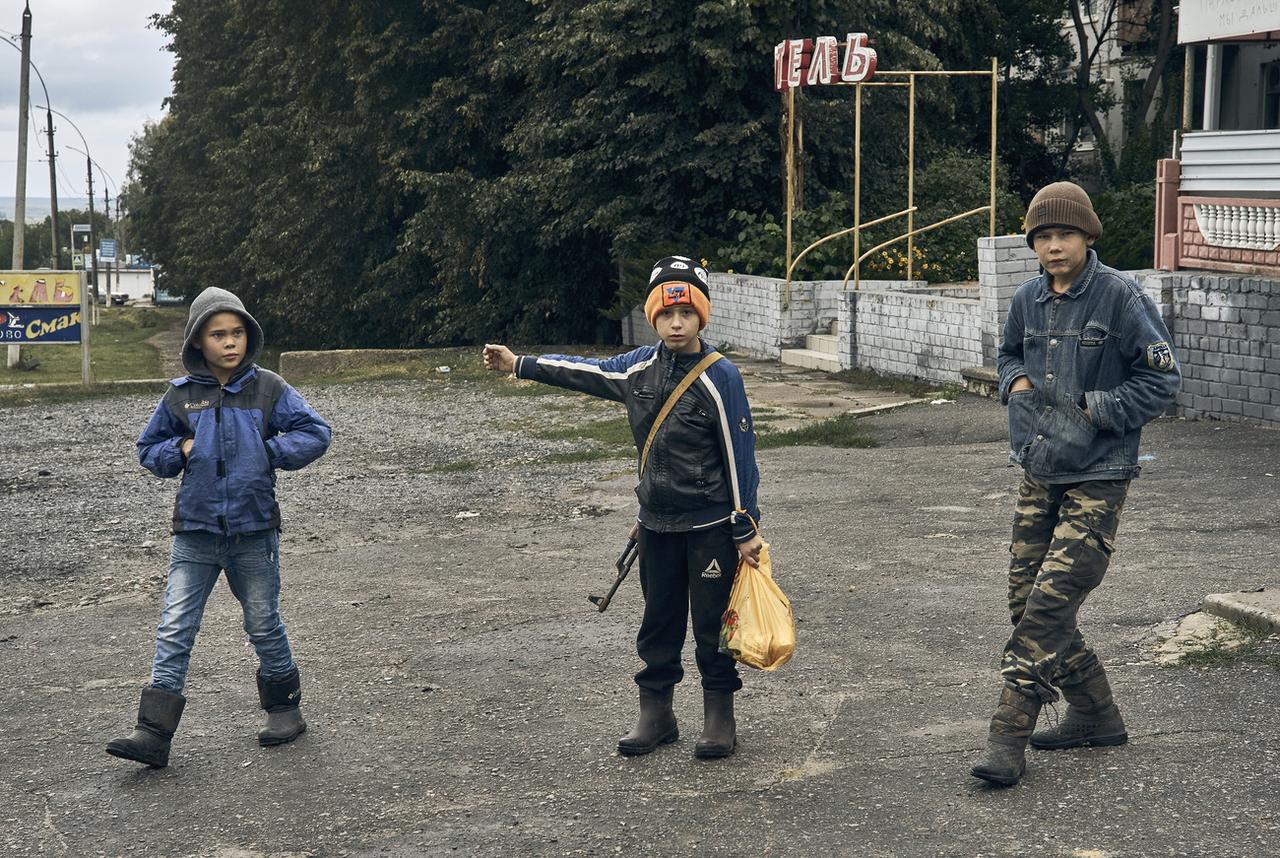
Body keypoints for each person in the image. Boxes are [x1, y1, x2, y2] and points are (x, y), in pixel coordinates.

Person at [482, 256, 763, 759]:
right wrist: (517, 363)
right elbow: (580, 370)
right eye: (665, 314)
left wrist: (745, 526)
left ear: (702, 316)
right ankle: (656, 715)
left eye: (687, 313)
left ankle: (720, 718)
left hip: (709, 528)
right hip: (655, 525)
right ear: (653, 317)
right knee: (657, 622)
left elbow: (739, 456)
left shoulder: (722, 377)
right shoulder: (637, 369)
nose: (676, 323)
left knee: (711, 625)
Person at [972, 182, 1180, 786]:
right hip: (1040, 468)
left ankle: (1008, 731)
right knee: (1024, 598)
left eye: (1064, 234)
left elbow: (1161, 382)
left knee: (1049, 604)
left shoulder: (1120, 298)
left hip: (1099, 473)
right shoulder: (1027, 300)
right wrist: (1013, 383)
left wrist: (1094, 409)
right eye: (1042, 237)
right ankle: (1095, 713)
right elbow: (1009, 354)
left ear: (1088, 236)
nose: (1053, 246)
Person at [106, 287, 332, 768]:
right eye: (217, 334)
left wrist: (269, 452)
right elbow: (149, 449)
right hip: (195, 532)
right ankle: (153, 734)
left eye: (237, 333)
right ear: (197, 341)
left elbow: (316, 432)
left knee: (262, 622)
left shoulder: (268, 388)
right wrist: (179, 451)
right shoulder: (182, 396)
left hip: (254, 532)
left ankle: (284, 709)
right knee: (174, 627)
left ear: (248, 337)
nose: (229, 342)